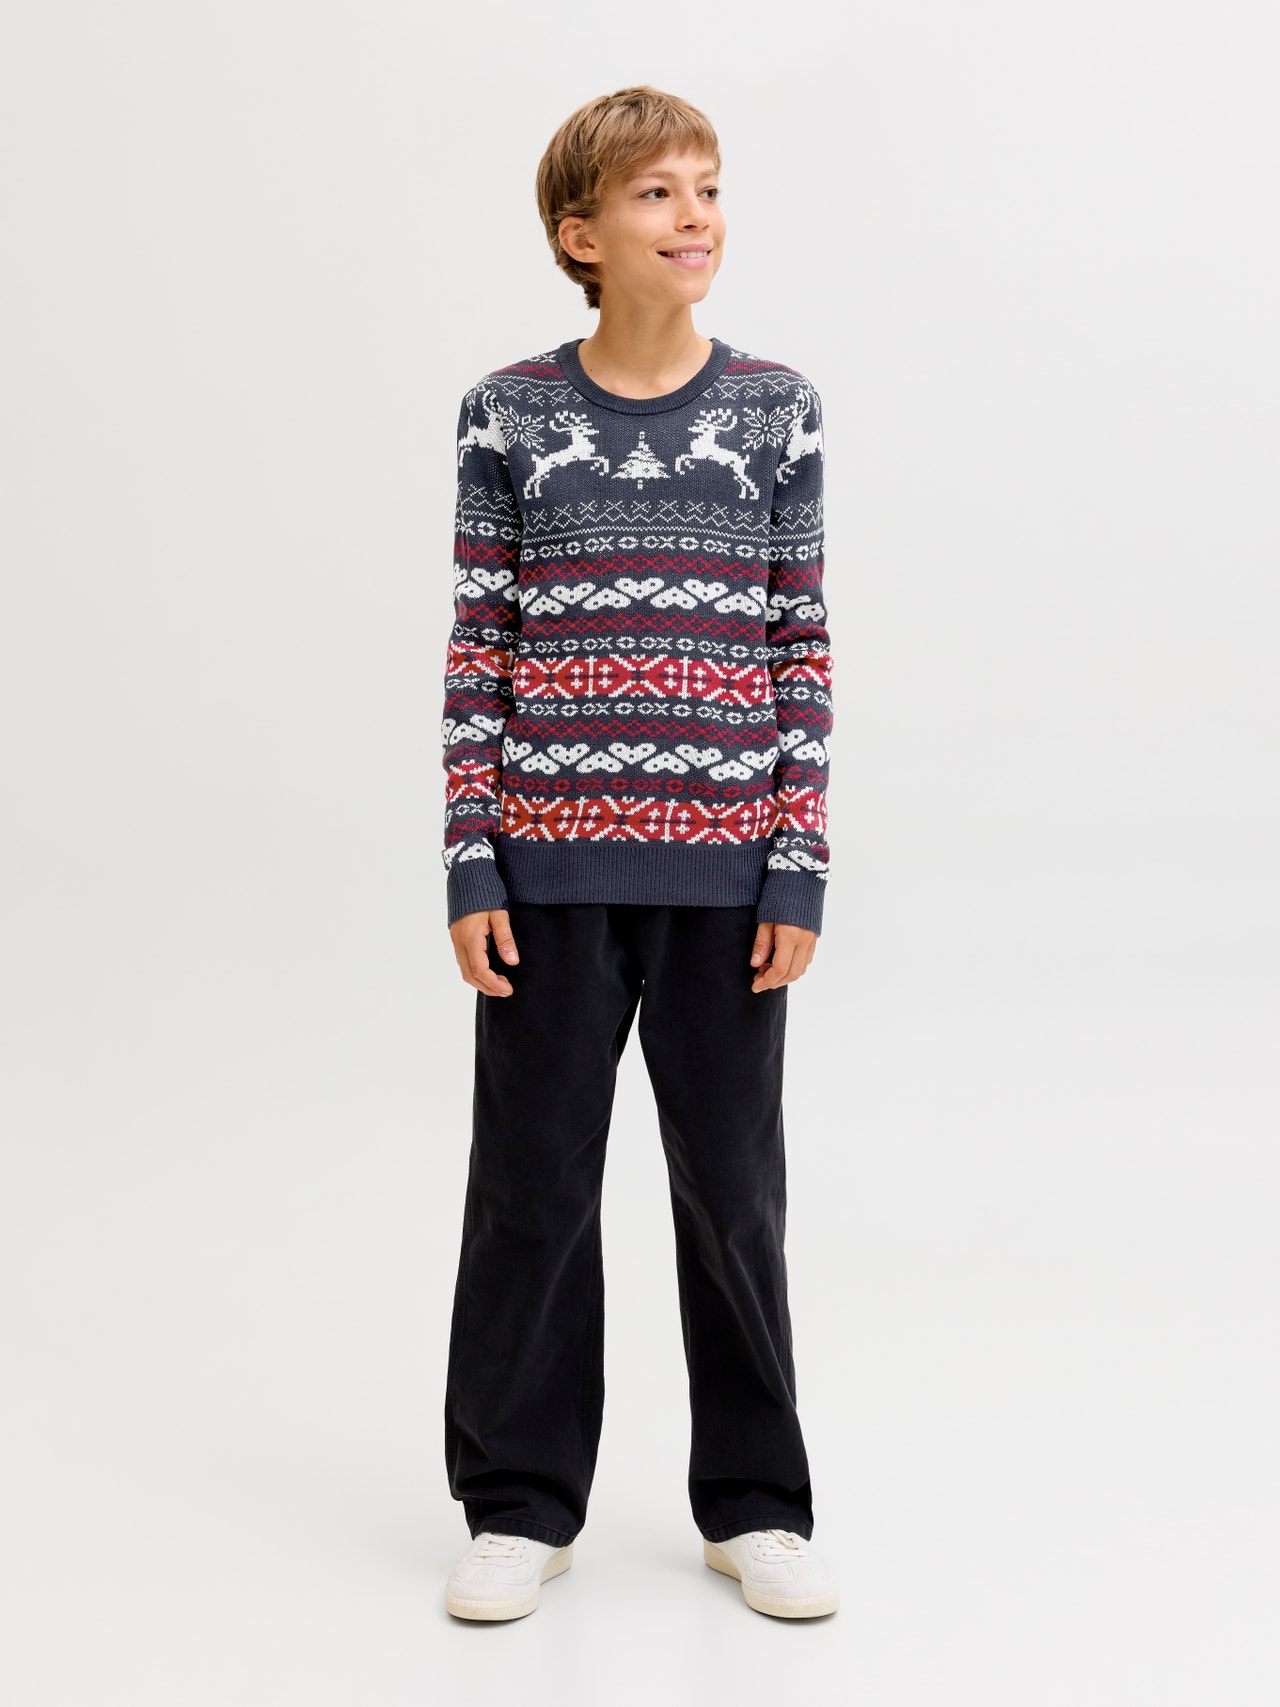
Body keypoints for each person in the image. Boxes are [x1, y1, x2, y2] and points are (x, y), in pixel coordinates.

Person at [439, 84, 837, 1622]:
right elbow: (480, 646)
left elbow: (800, 644)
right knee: (531, 1190)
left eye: (709, 187)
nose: (696, 217)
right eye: (660, 193)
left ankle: (757, 1505)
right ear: (582, 234)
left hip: (725, 879)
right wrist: (473, 862)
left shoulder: (779, 410)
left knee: (732, 1193)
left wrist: (794, 864)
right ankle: (517, 1503)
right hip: (545, 875)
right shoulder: (509, 414)